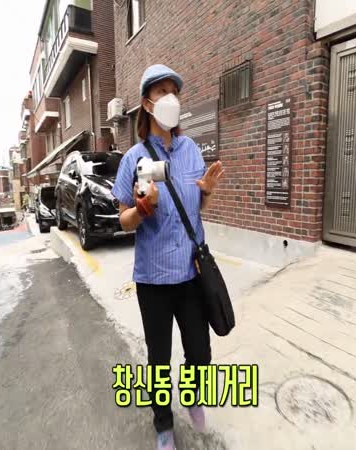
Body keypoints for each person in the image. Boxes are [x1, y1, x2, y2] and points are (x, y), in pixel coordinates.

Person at [111, 64, 225, 450]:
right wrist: (143, 209)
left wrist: (207, 192)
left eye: (174, 91)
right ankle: (163, 425)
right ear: (147, 103)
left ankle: (191, 397)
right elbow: (124, 219)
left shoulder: (191, 150)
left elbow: (197, 210)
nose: (170, 98)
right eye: (162, 92)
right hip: (154, 279)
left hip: (191, 273)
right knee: (159, 359)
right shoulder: (134, 158)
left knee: (200, 352)